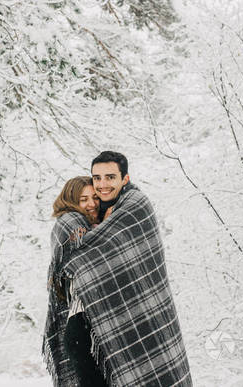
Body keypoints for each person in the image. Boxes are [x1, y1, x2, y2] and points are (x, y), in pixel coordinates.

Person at [61, 151, 193, 386]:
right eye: (97, 178)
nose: (102, 185)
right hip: (87, 330)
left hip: (134, 324)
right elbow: (71, 258)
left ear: (125, 179)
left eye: (110, 177)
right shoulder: (84, 217)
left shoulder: (135, 209)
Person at [43, 176, 108, 386]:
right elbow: (92, 254)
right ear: (71, 201)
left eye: (95, 198)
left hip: (90, 327)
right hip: (83, 329)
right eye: (83, 199)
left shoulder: (95, 226)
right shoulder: (70, 223)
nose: (91, 204)